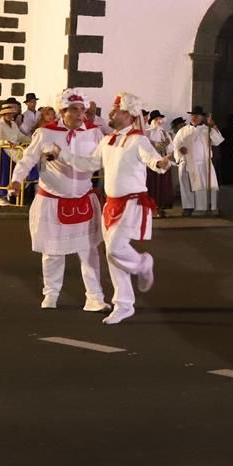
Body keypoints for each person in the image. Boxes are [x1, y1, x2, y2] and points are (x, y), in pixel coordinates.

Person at [71, 91, 172, 325]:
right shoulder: (107, 140)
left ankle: (143, 264)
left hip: (132, 203)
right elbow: (89, 163)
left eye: (115, 110)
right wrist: (61, 156)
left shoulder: (139, 140)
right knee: (111, 254)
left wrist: (160, 163)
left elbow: (153, 161)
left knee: (116, 248)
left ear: (127, 114)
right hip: (111, 204)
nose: (110, 113)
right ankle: (124, 304)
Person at [7, 89, 108, 312]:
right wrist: (16, 180)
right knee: (52, 252)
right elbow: (27, 160)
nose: (80, 114)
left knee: (89, 251)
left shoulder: (94, 133)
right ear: (63, 111)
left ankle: (95, 297)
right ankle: (51, 294)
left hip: (83, 198)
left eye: (82, 110)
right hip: (53, 199)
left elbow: (103, 160)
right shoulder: (45, 133)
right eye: (75, 109)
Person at [171, 106, 223, 216]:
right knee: (186, 185)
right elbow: (176, 145)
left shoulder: (206, 129)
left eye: (197, 116)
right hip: (186, 161)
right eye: (192, 115)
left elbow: (218, 141)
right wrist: (180, 151)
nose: (194, 117)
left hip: (202, 163)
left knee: (201, 185)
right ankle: (188, 207)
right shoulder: (183, 130)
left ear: (201, 117)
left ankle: (202, 207)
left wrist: (213, 126)